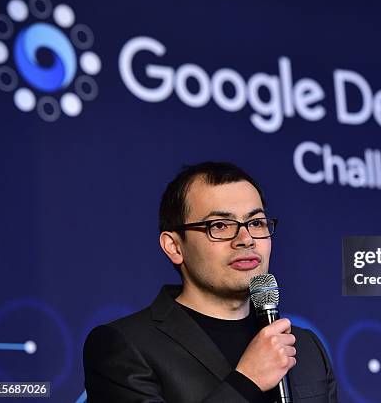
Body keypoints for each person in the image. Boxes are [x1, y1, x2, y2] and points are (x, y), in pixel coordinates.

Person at [83, 162, 337, 402]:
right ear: (174, 246)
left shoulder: (305, 346)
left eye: (256, 223)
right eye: (220, 225)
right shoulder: (125, 345)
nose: (246, 239)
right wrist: (246, 382)